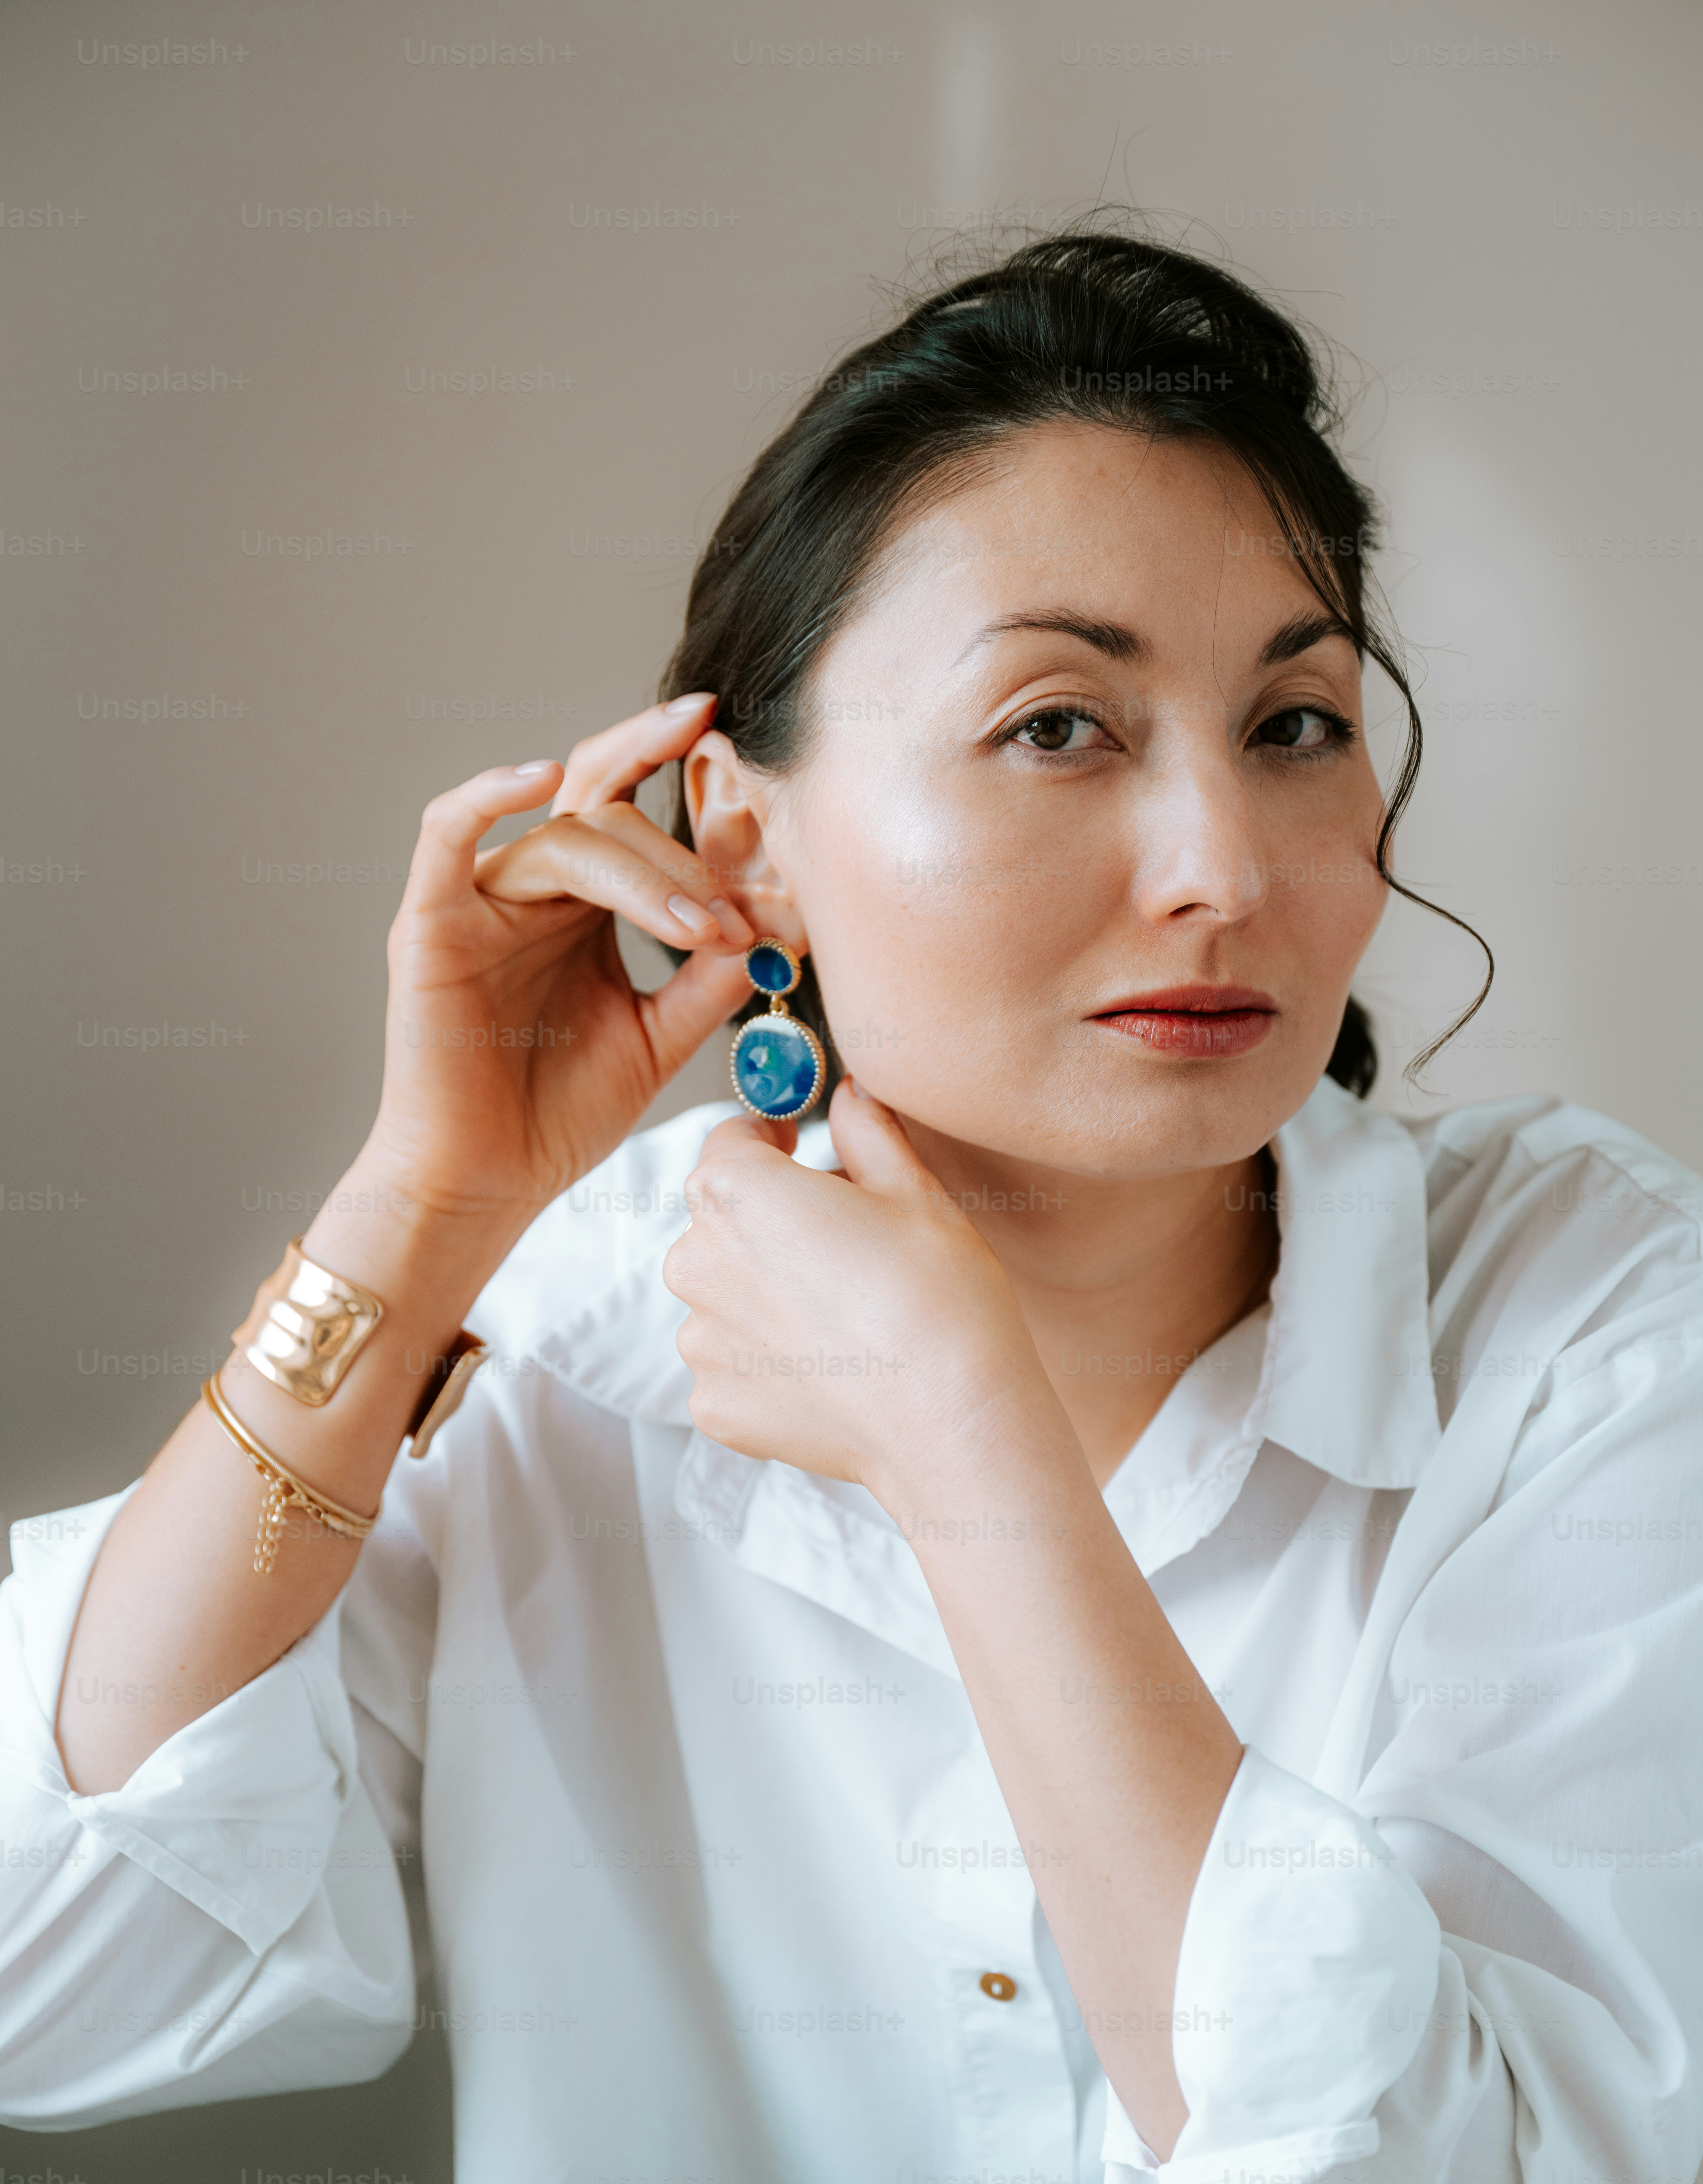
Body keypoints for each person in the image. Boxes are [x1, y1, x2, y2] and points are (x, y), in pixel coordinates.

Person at [2, 227, 1698, 2184]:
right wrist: (423, 1204)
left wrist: (966, 1452)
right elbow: (52, 1971)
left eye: (1294, 724)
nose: (1223, 862)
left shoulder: (1597, 1320)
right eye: (1059, 723)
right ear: (746, 836)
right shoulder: (567, 1332)